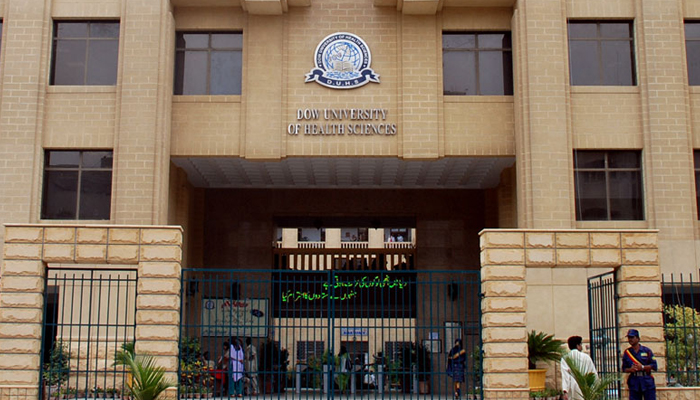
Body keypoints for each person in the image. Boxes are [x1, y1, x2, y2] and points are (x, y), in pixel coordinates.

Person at [622, 329, 657, 400]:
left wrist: (642, 367)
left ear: (638, 338)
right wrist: (631, 369)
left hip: (646, 381)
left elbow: (654, 366)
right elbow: (624, 368)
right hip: (634, 381)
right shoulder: (627, 352)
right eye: (629, 338)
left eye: (632, 337)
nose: (630, 339)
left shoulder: (647, 351)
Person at [561, 336, 597, 400]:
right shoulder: (586, 357)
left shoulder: (565, 358)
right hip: (586, 386)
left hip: (572, 387)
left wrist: (565, 390)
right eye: (581, 344)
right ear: (578, 345)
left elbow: (565, 376)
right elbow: (593, 373)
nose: (582, 347)